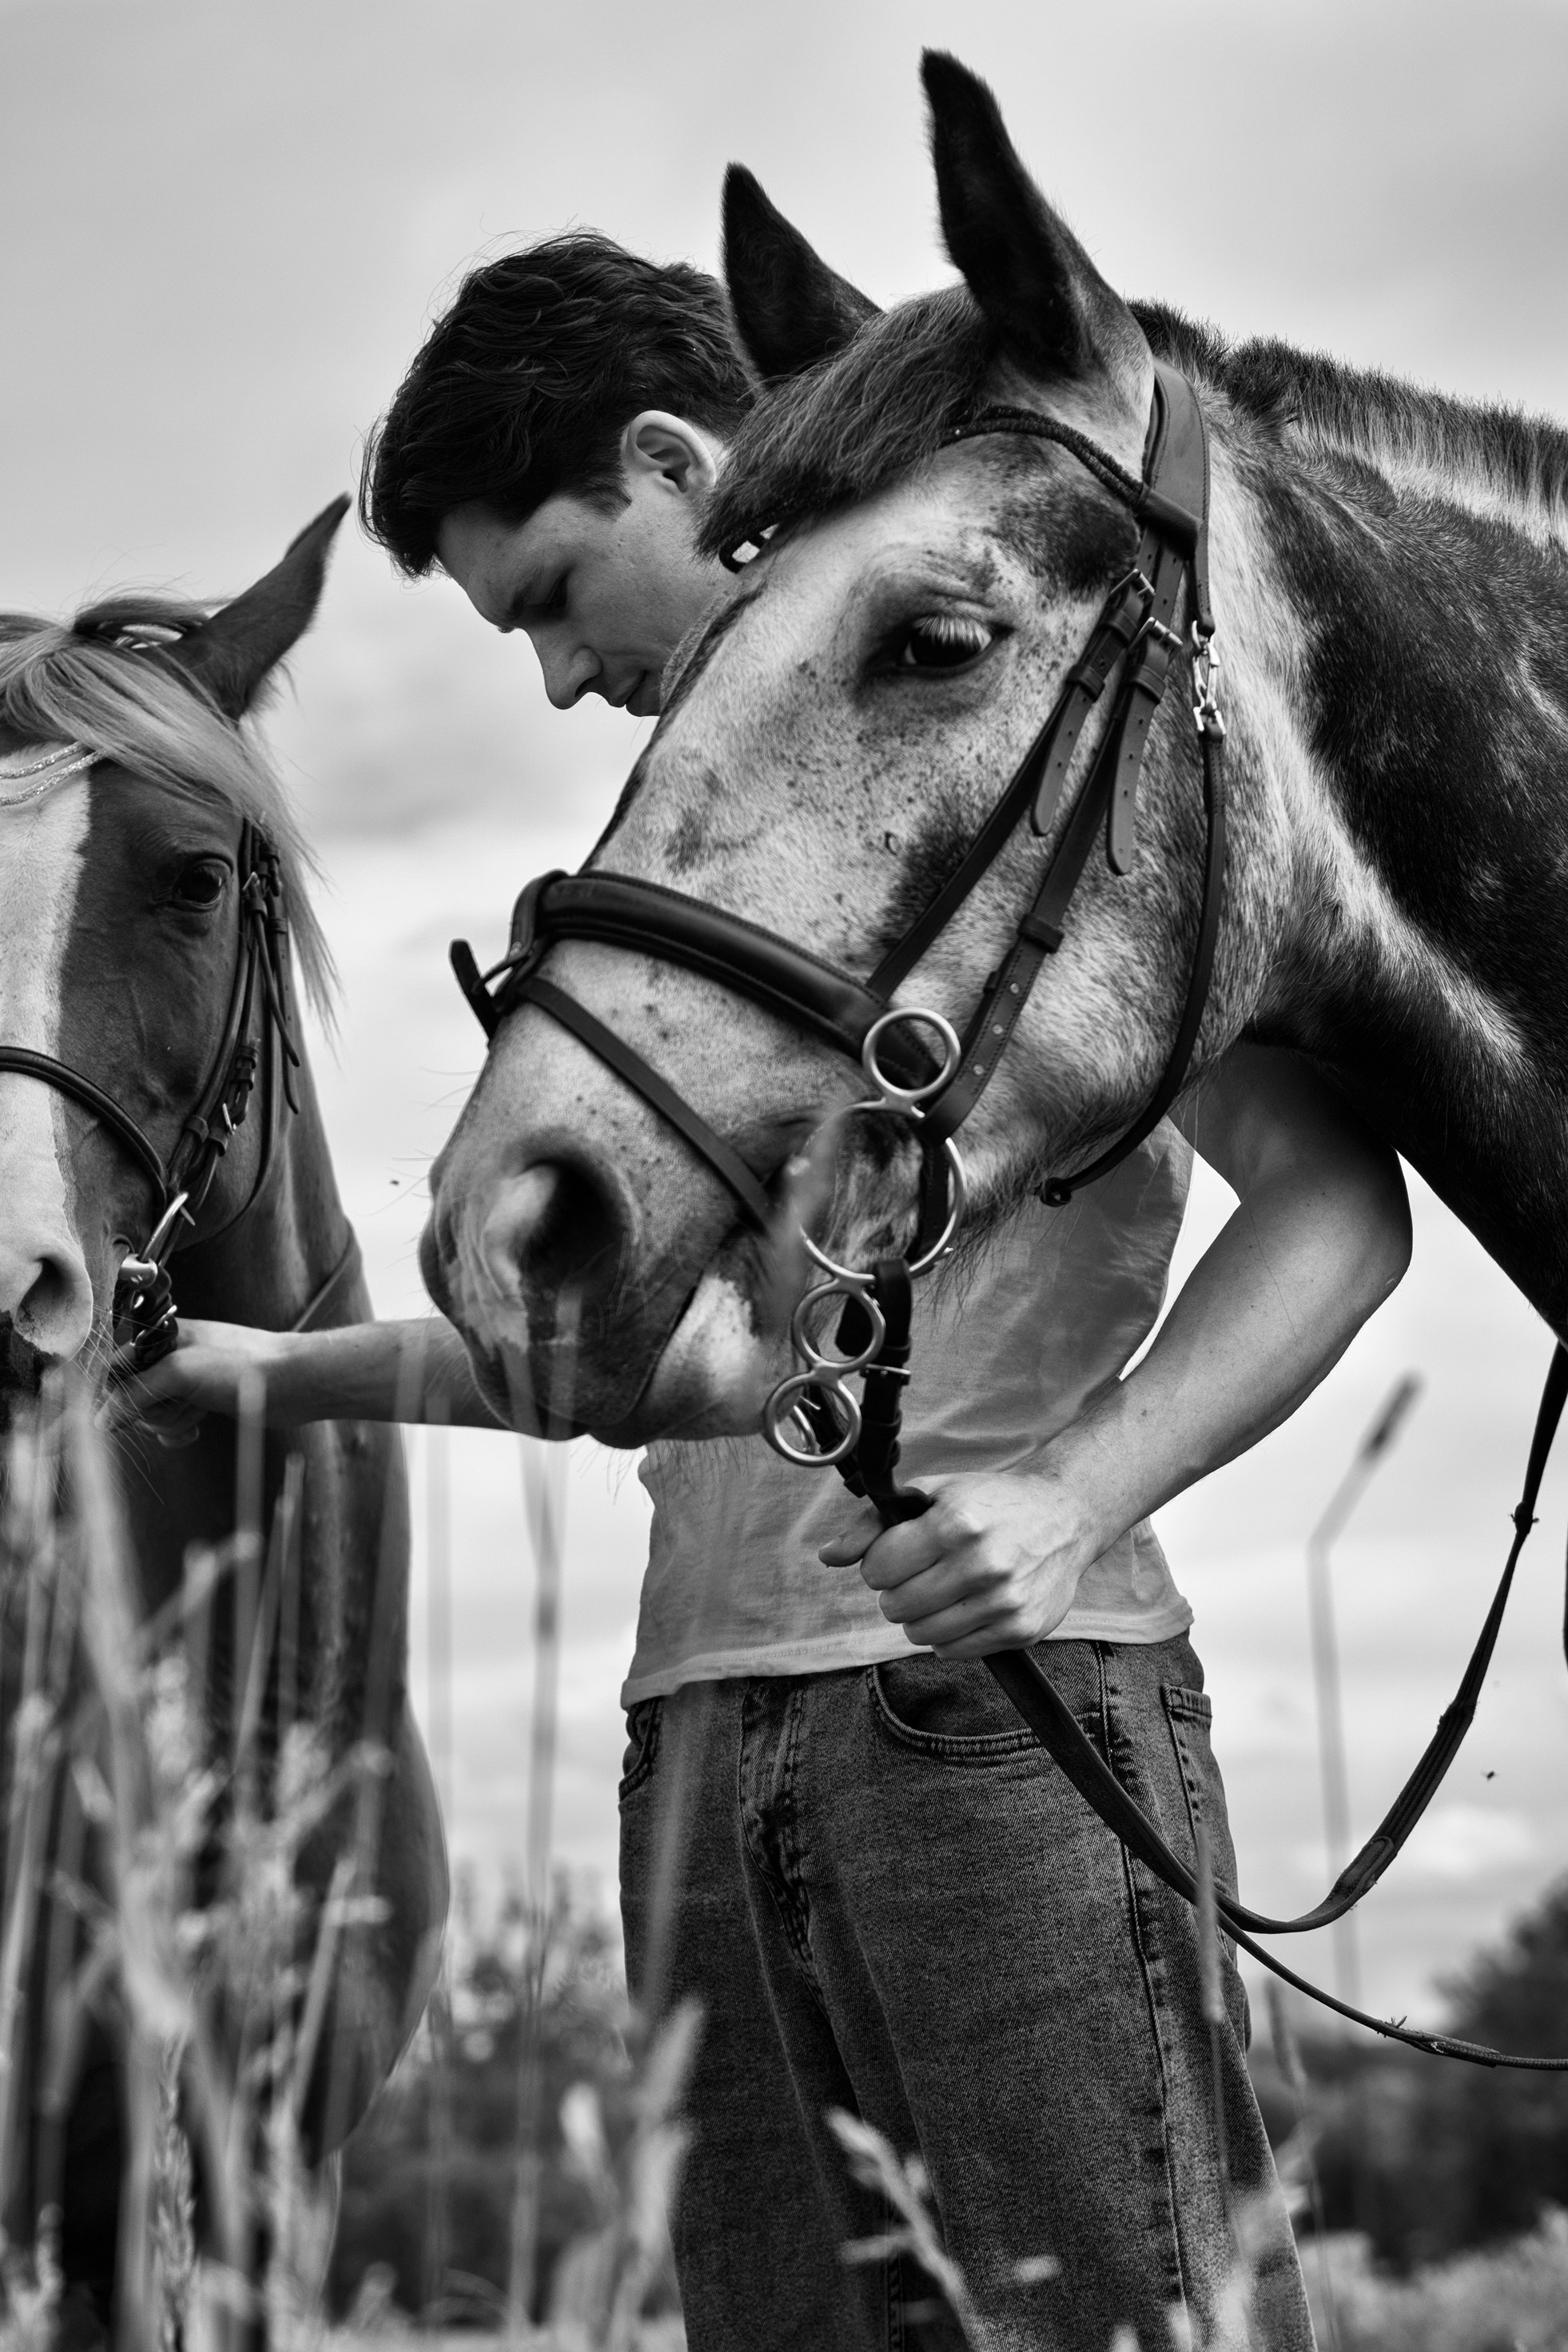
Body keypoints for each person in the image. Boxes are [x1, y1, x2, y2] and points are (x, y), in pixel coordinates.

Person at [129, 233, 1411, 2349]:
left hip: (1003, 1717)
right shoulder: (698, 912)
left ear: (666, 461)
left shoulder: (1031, 777)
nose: (550, 680)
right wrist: (255, 1372)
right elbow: (679, 1370)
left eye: (546, 596)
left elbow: (1334, 1199)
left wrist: (1083, 1488)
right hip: (694, 1748)